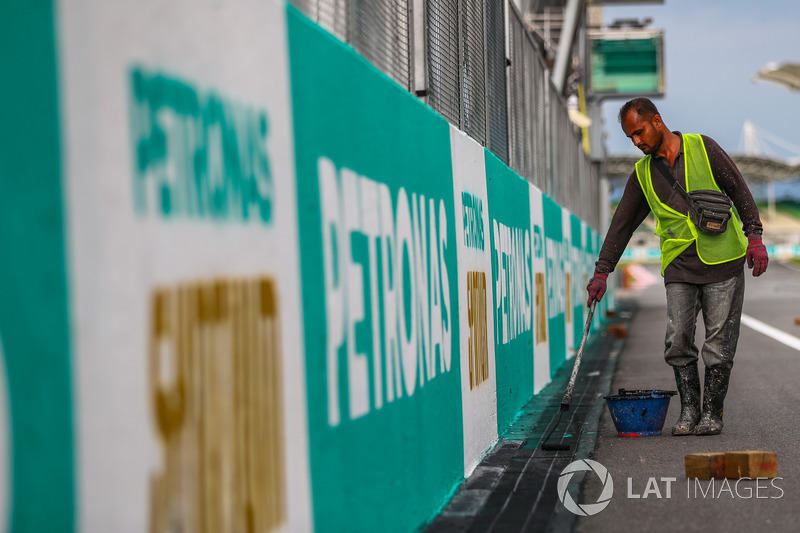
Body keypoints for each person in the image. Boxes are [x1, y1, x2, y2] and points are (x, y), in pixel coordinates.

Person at [586, 98, 768, 436]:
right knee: (678, 340)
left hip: (723, 260)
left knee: (719, 343)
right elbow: (622, 224)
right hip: (679, 266)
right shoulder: (641, 174)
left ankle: (712, 413)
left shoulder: (704, 147)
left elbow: (738, 189)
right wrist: (602, 270)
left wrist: (753, 236)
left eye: (639, 132)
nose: (637, 142)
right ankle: (689, 410)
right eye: (630, 138)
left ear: (657, 121)